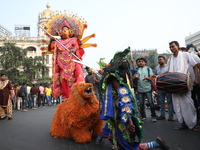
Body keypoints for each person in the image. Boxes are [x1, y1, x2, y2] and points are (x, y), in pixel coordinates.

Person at [95, 47, 169, 150]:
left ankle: (154, 144)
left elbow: (124, 97)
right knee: (115, 137)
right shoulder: (120, 76)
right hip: (119, 112)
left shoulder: (115, 77)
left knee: (125, 144)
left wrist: (128, 119)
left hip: (123, 113)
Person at [165, 41, 199, 130]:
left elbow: (195, 65)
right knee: (177, 105)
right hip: (174, 85)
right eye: (170, 47)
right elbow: (167, 71)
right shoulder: (170, 59)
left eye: (173, 46)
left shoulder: (186, 55)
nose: (171, 48)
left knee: (188, 104)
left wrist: (196, 78)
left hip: (184, 83)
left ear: (178, 46)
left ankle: (193, 122)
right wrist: (156, 76)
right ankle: (183, 123)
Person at [48, 22, 85, 101]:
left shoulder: (73, 40)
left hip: (71, 61)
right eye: (63, 29)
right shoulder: (57, 41)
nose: (64, 31)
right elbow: (51, 48)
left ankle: (79, 91)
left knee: (78, 72)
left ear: (70, 32)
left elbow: (76, 47)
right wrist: (51, 41)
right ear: (60, 32)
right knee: (63, 81)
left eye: (66, 29)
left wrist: (74, 49)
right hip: (61, 63)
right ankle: (66, 98)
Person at [134, 58, 157, 122]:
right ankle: (143, 116)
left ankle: (153, 116)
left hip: (148, 88)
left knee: (151, 103)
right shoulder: (137, 70)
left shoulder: (148, 69)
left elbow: (152, 78)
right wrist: (135, 78)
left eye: (142, 61)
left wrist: (147, 78)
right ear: (137, 63)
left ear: (145, 63)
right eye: (139, 61)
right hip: (140, 89)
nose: (141, 62)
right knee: (141, 104)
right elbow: (135, 80)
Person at [155, 56, 174, 121]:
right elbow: (156, 77)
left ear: (164, 60)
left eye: (160, 59)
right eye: (158, 60)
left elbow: (170, 75)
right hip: (160, 87)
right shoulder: (157, 68)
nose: (159, 61)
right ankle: (162, 115)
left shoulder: (168, 67)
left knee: (169, 101)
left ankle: (171, 116)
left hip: (167, 86)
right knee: (161, 101)